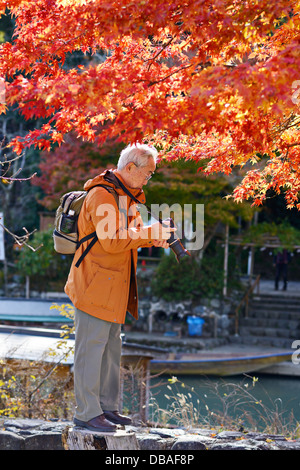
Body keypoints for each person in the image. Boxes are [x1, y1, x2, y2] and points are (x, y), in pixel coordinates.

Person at [65, 143, 175, 432]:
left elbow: (133, 235)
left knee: (111, 348)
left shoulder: (126, 195)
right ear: (130, 168)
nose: (149, 178)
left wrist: (155, 238)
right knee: (91, 349)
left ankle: (106, 408)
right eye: (148, 173)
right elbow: (113, 240)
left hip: (113, 285)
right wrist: (150, 233)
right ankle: (87, 413)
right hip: (95, 285)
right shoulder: (102, 195)